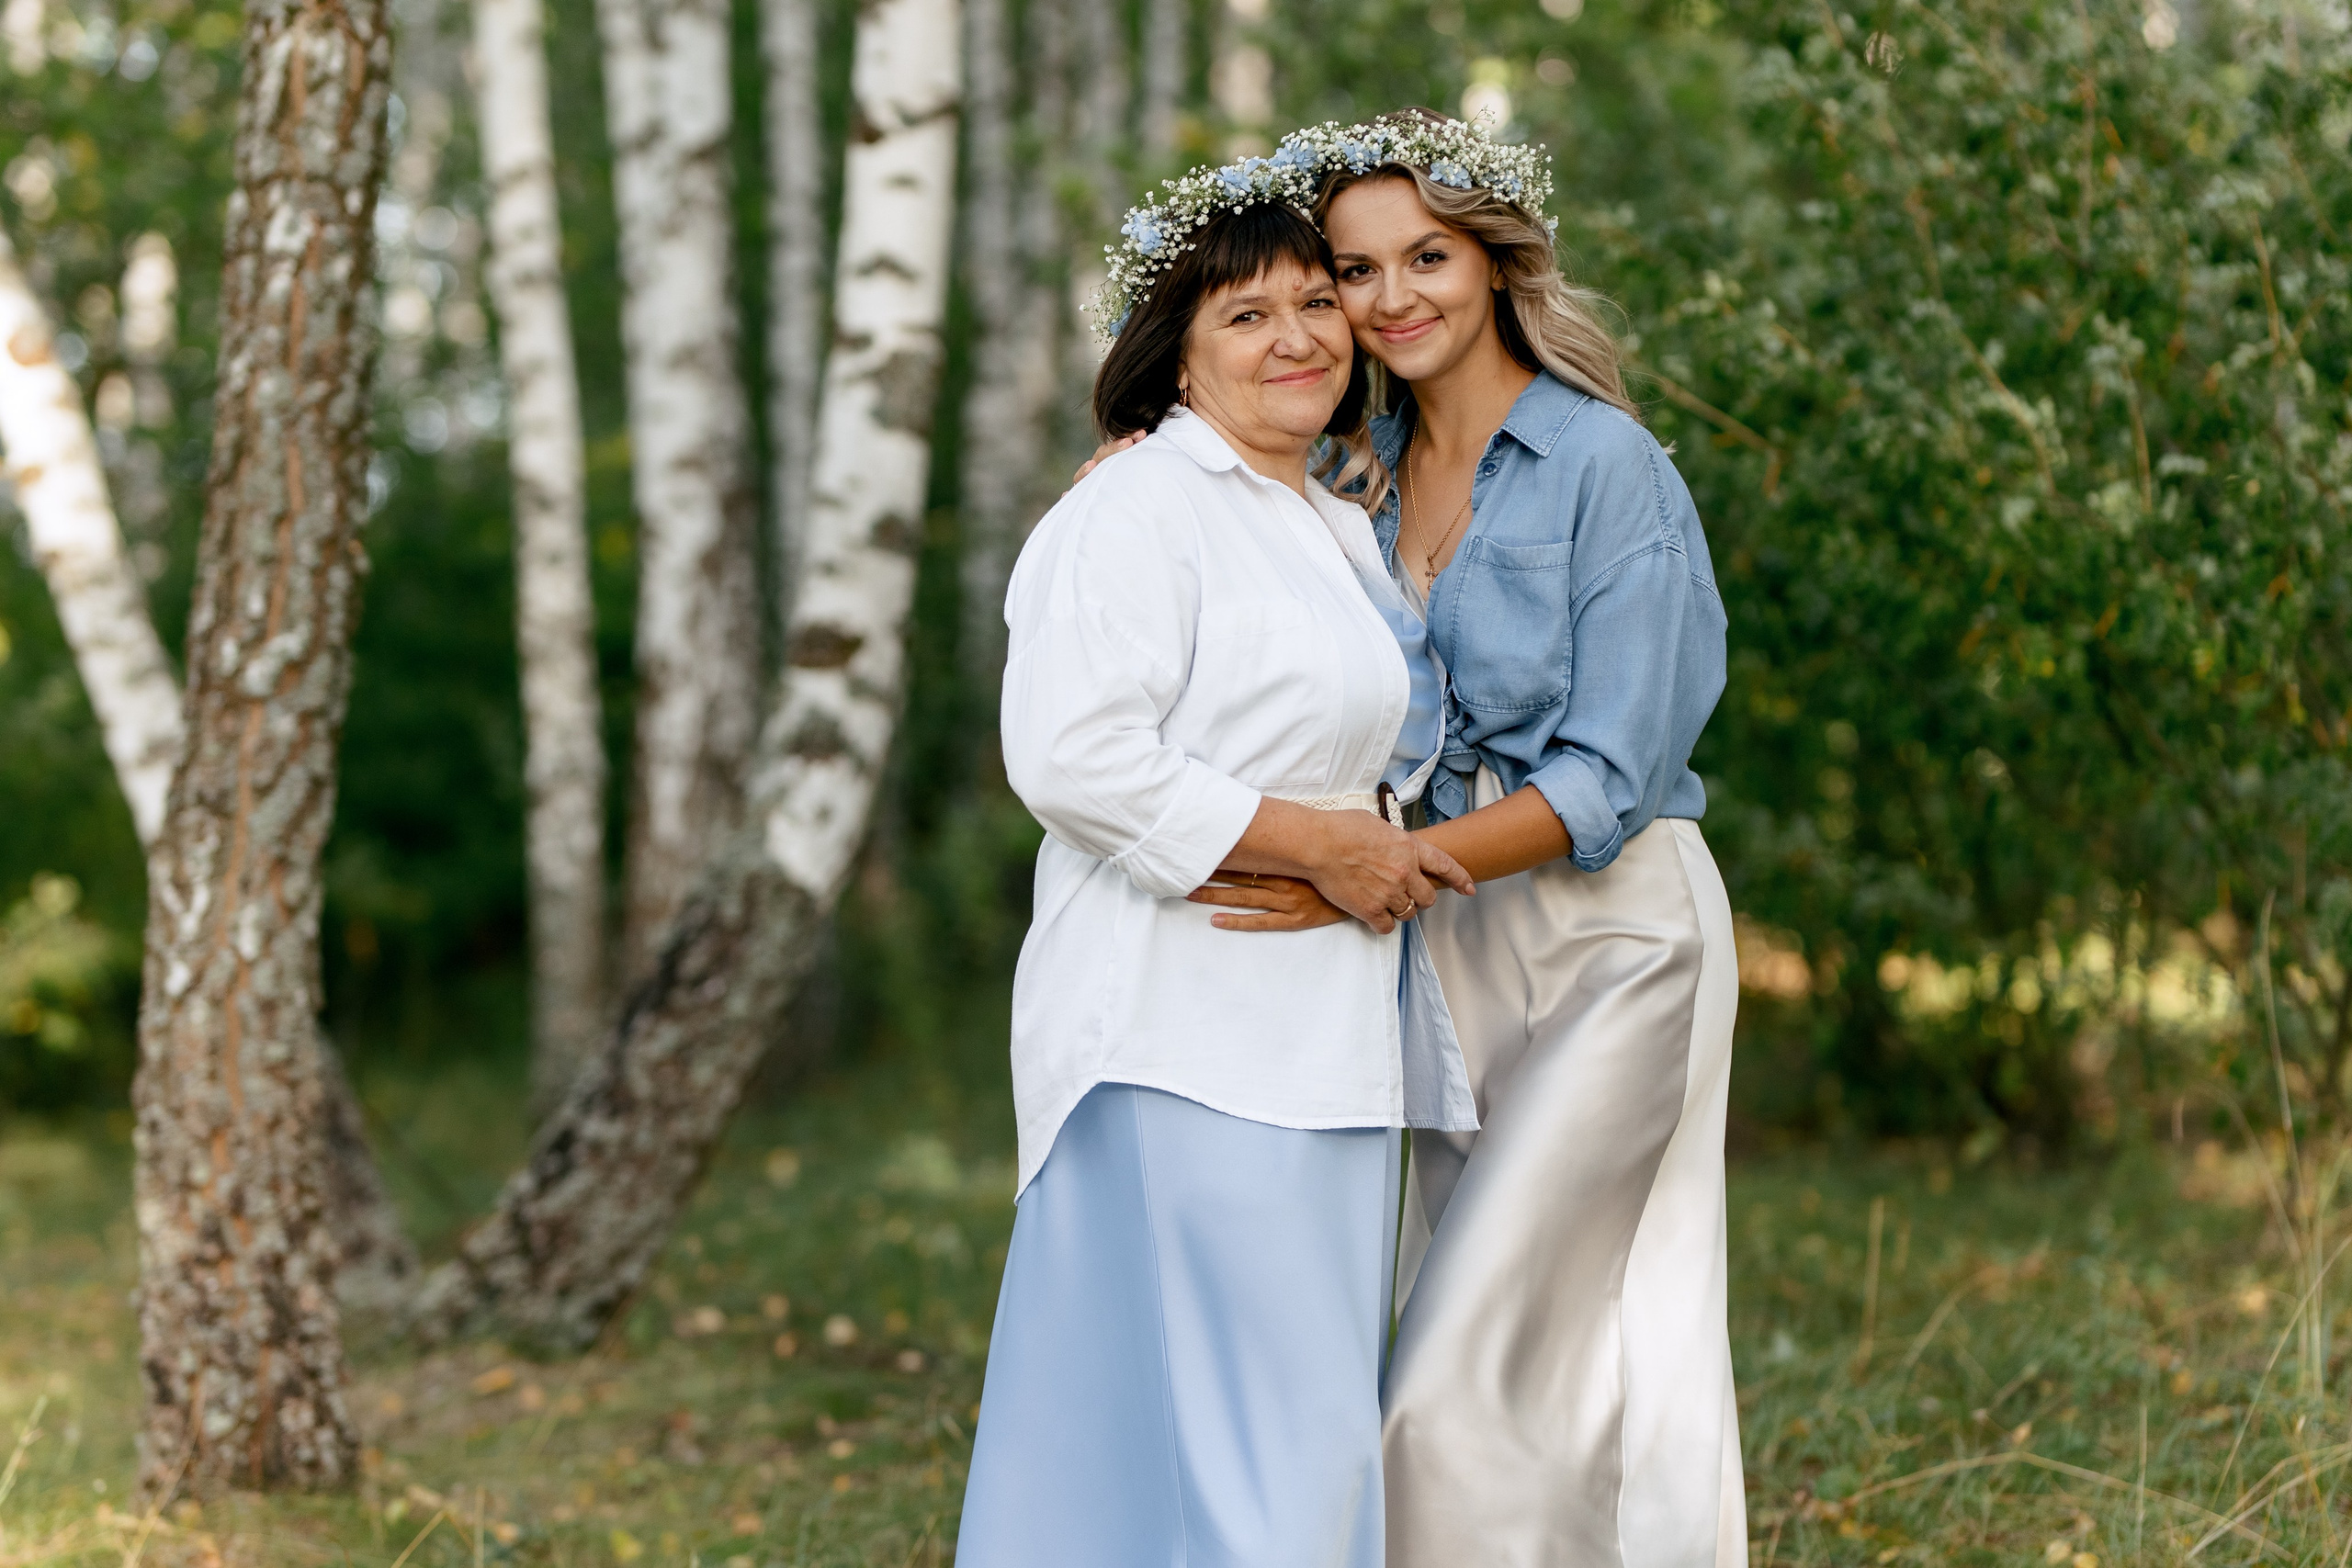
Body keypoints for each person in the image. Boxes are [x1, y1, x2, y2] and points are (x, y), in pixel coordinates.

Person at [1176, 112, 1746, 1566]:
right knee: (1526, 1343)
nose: (1392, 298)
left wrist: (1373, 872)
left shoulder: (1607, 466)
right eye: (1354, 273)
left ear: (1492, 261)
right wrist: (1127, 465)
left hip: (1617, 941)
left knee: (1467, 1365)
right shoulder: (1342, 477)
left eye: (1425, 257)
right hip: (1434, 947)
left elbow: (1615, 773)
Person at [954, 154, 1476, 1568]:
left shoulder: (1326, 517)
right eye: (1246, 315)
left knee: (1290, 1441)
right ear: (1175, 356)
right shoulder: (1134, 508)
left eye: (1315, 302)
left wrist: (1363, 850)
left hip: (1320, 1040)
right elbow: (1072, 754)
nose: (1298, 336)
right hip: (1179, 1042)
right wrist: (1319, 845)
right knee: (1235, 1456)